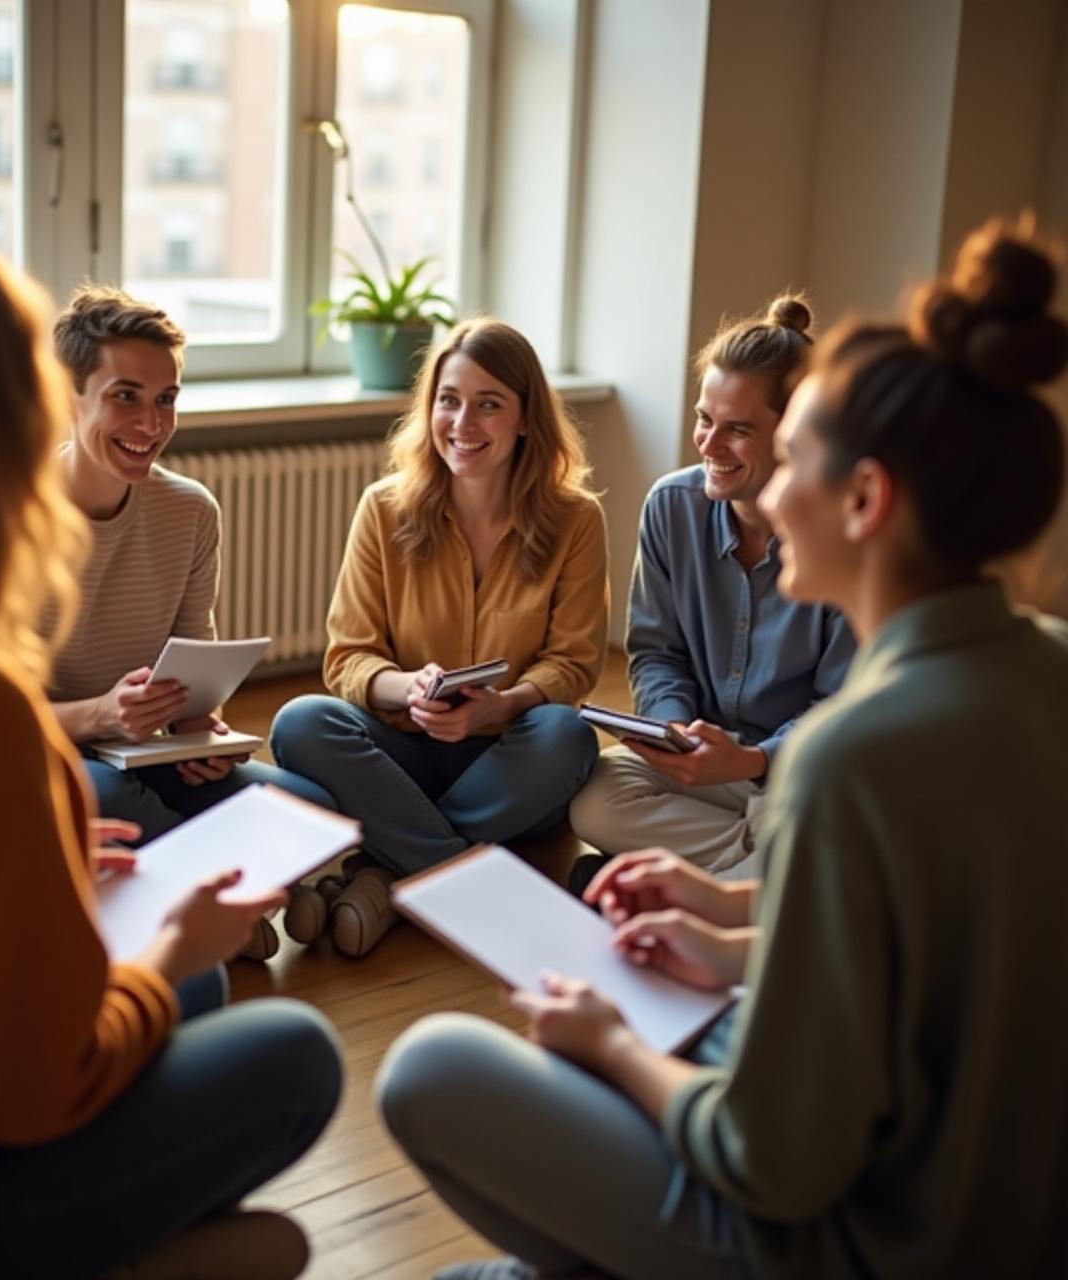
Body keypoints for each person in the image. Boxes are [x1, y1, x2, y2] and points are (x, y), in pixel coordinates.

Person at [376, 220, 1068, 1279]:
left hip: (871, 1235)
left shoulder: (853, 755)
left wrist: (606, 1041)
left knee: (429, 1064)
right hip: (999, 1199)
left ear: (863, 498)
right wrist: (735, 920)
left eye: (786, 457)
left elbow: (769, 1159)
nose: (754, 483)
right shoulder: (1047, 666)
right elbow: (936, 944)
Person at [0, 234, 342, 1280]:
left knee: (216, 943)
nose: (144, 423)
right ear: (24, 417)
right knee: (283, 1052)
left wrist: (36, 871)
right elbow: (28, 1088)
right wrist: (171, 944)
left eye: (163, 398)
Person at [271, 318, 607, 957]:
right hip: (401, 747)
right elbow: (348, 656)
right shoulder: (383, 508)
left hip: (509, 761)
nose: (463, 423)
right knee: (300, 722)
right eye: (449, 401)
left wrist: (504, 704)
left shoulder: (576, 520)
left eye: (489, 405)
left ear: (526, 419)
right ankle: (458, 879)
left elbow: (574, 661)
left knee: (569, 737)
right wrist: (408, 689)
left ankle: (387, 868)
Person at [46, 284, 334, 958]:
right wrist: (100, 716)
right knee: (109, 795)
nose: (150, 424)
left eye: (166, 399)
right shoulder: (8, 517)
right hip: (57, 758)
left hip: (150, 750)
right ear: (68, 398)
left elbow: (193, 662)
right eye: (126, 396)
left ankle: (204, 904)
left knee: (312, 806)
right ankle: (230, 903)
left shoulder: (192, 511)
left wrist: (197, 727)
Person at [568, 296, 854, 886]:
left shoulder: (841, 538)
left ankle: (687, 880)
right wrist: (672, 734)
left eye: (737, 429)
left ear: (794, 431)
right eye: (704, 419)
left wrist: (754, 761)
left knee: (832, 821)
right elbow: (656, 651)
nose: (708, 444)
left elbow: (841, 709)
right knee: (596, 796)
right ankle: (758, 874)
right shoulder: (671, 507)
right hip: (706, 770)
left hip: (797, 771)